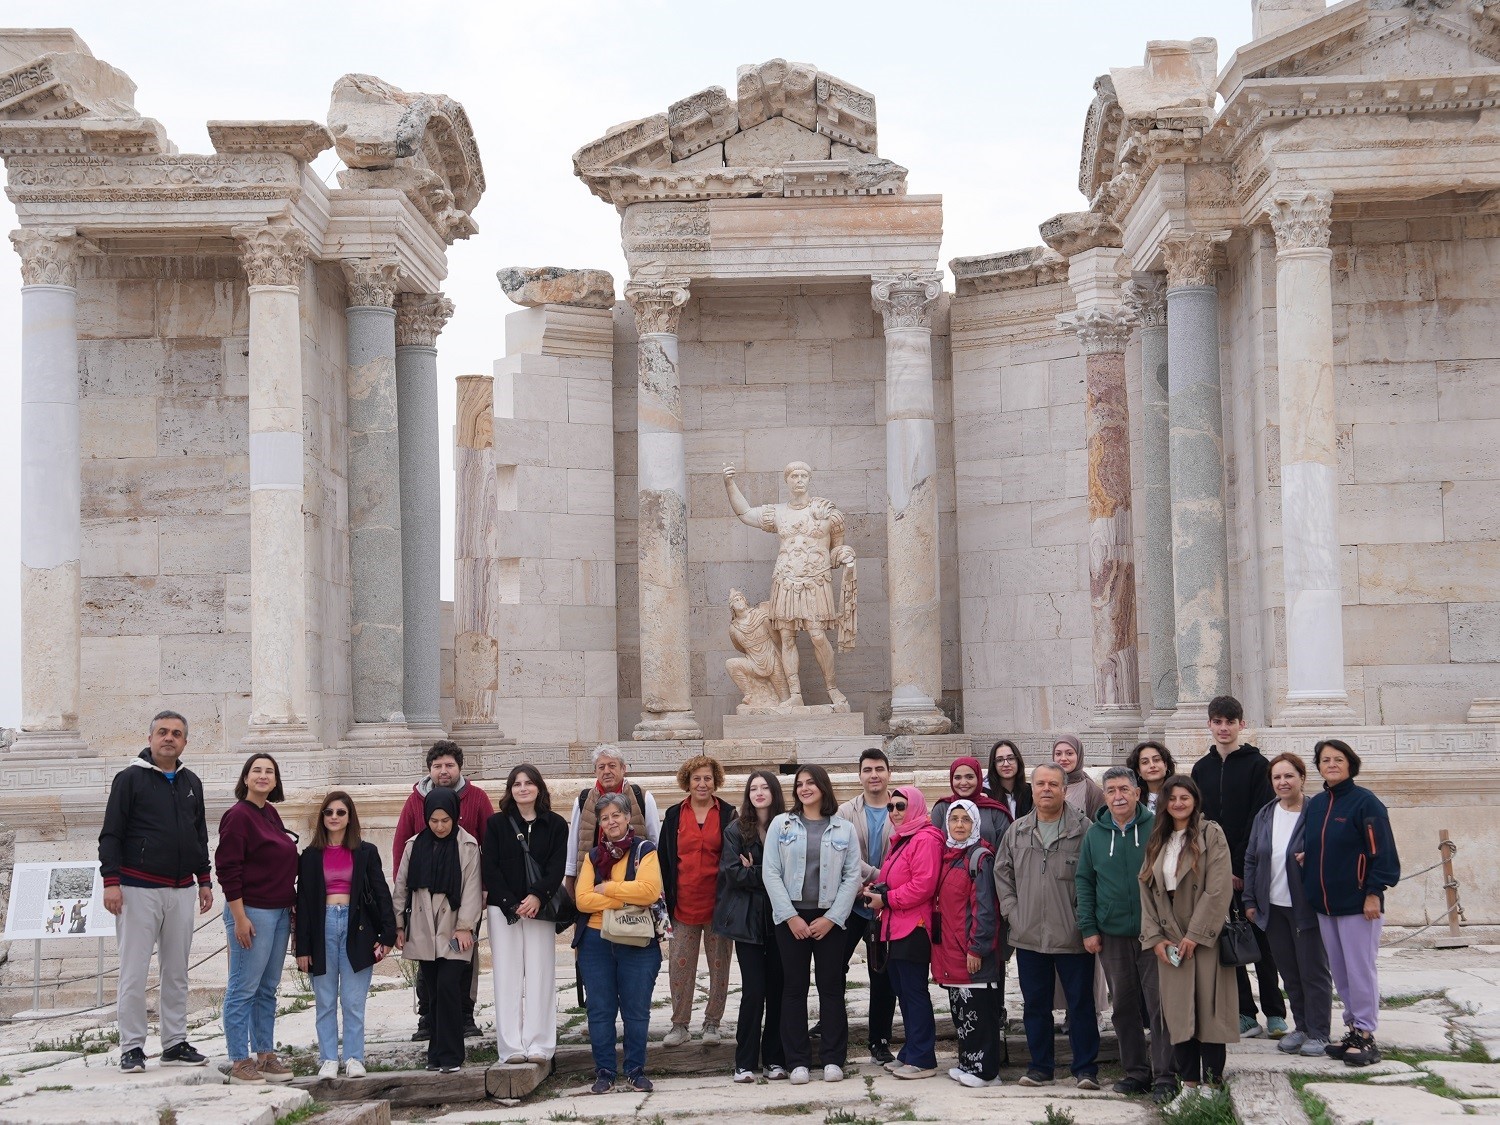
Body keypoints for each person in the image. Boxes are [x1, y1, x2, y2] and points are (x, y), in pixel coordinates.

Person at [99, 710, 214, 1074]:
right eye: (163, 732)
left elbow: (199, 835)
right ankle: (132, 1047)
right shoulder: (129, 779)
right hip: (137, 888)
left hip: (181, 889)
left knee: (177, 971)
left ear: (184, 742)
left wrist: (205, 879)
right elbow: (111, 834)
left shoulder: (191, 782)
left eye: (176, 733)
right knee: (134, 971)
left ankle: (174, 1042)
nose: (169, 738)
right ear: (150, 738)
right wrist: (111, 882)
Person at [993, 761, 1100, 1090]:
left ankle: (1085, 1069)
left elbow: (1094, 879)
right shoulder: (1018, 830)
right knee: (1035, 1005)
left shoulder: (1085, 830)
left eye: (1053, 784)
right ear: (1033, 788)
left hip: (1072, 935)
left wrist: (1084, 921)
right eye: (1040, 784)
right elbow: (1002, 873)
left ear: (1065, 790)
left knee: (1080, 1005)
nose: (1046, 790)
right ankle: (1040, 1067)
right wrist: (1013, 912)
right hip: (1029, 936)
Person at [723, 461, 857, 709]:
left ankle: (832, 688)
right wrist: (730, 483)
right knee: (787, 638)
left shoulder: (828, 512)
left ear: (809, 479)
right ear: (787, 480)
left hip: (815, 579)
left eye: (803, 475)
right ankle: (795, 694)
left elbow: (836, 549)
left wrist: (844, 554)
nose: (799, 479)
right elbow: (744, 514)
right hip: (785, 580)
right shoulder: (778, 512)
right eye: (794, 475)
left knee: (817, 636)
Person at [1189, 695, 1285, 1040]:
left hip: (1250, 867)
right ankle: (1245, 1011)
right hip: (1215, 870)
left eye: (1230, 721)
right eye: (1218, 721)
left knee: (1261, 940)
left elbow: (1259, 818)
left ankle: (1275, 1012)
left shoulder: (1258, 765)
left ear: (1241, 725)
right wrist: (1217, 868)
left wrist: (1241, 868)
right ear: (1210, 725)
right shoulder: (1202, 769)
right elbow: (1200, 821)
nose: (1224, 728)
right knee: (1228, 939)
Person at [1139, 776, 1239, 1105]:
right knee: (1179, 1014)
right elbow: (1147, 889)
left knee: (1210, 1013)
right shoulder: (1158, 838)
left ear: (1195, 800)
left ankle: (1212, 1085)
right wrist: (1155, 938)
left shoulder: (1212, 834)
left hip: (1203, 934)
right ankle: (1190, 1086)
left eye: (1185, 797)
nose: (1179, 803)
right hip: (1169, 935)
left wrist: (1196, 934)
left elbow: (1219, 887)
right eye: (1173, 798)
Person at [1301, 739, 1400, 1068]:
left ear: (1350, 764)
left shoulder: (1365, 803)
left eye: (1338, 759)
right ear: (1319, 767)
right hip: (1326, 905)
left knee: (1360, 970)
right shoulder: (1316, 805)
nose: (1331, 764)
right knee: (1341, 972)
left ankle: (1367, 1035)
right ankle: (1352, 1029)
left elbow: (1382, 853)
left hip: (1359, 904)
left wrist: (1374, 891)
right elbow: (1319, 846)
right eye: (1325, 759)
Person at [1076, 767, 1172, 1100]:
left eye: (1124, 790)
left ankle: (1165, 1075)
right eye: (1112, 790)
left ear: (1136, 792)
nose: (1118, 796)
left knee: (1160, 1006)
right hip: (1113, 934)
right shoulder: (1095, 834)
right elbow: (1085, 881)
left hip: (1154, 935)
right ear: (1104, 796)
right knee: (1124, 1007)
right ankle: (1135, 1072)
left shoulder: (1158, 826)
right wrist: (1089, 927)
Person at [764, 764, 863, 1085]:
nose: (804, 788)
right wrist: (790, 916)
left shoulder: (843, 829)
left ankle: (834, 1059)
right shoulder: (782, 824)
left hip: (830, 919)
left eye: (810, 783)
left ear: (823, 787)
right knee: (793, 988)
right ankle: (798, 1062)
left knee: (831, 987)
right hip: (789, 918)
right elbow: (770, 872)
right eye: (799, 784)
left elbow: (852, 876)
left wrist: (832, 918)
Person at [393, 741, 495, 1041]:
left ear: (459, 768)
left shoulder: (476, 797)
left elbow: (488, 843)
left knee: (462, 955)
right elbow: (402, 847)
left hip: (464, 898)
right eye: (438, 766)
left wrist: (484, 889)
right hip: (424, 899)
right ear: (430, 769)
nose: (444, 771)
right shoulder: (415, 800)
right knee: (426, 956)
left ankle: (464, 1014)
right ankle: (427, 1016)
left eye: (449, 765)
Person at [295, 791, 397, 1079]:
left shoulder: (366, 852)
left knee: (353, 1001)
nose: (334, 817)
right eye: (329, 812)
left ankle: (354, 1057)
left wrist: (388, 935)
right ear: (322, 818)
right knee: (325, 1000)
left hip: (357, 929)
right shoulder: (311, 856)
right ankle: (328, 1058)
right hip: (323, 927)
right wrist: (303, 946)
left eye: (341, 812)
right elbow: (303, 903)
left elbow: (380, 893)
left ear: (350, 817)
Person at [1242, 752, 1333, 1059]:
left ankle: (1320, 1032)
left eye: (1288, 776)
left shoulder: (1316, 810)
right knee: (1290, 972)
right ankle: (1302, 1027)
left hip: (1306, 906)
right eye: (1277, 777)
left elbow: (1333, 848)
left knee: (1313, 971)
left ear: (1302, 778)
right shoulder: (1266, 814)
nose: (1283, 782)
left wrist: (1315, 857)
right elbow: (1253, 857)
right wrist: (1251, 900)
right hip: (1274, 906)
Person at [575, 792, 666, 1094]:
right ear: (599, 824)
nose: (611, 821)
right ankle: (604, 1072)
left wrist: (609, 888)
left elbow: (650, 891)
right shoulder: (592, 856)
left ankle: (635, 1070)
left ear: (628, 818)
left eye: (617, 815)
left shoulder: (645, 850)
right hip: (596, 940)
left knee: (636, 1009)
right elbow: (583, 899)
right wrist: (626, 894)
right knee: (600, 1010)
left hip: (636, 941)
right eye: (605, 817)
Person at [217, 753, 299, 1085]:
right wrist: (239, 917)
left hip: (279, 911)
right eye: (257, 771)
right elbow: (228, 868)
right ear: (246, 778)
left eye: (269, 771)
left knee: (267, 988)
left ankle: (265, 1055)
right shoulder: (238, 816)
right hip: (251, 911)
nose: (263, 776)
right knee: (243, 987)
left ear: (276, 781)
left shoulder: (271, 814)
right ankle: (240, 1060)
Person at [482, 764, 569, 1065]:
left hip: (540, 909)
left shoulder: (556, 824)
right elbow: (489, 867)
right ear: (510, 790)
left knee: (540, 973)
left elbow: (558, 867)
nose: (523, 788)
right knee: (506, 975)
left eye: (529, 783)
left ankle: (540, 1043)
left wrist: (536, 896)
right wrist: (510, 902)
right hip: (503, 909)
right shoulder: (496, 825)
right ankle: (511, 1047)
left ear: (539, 788)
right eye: (517, 784)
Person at [394, 787, 483, 1074]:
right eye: (434, 821)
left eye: (446, 820)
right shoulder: (414, 845)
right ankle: (436, 1055)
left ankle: (452, 1055)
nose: (440, 826)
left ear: (455, 816)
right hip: (422, 928)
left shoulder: (467, 846)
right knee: (432, 992)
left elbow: (472, 888)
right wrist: (397, 925)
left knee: (449, 989)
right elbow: (401, 887)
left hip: (455, 929)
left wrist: (466, 927)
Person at [714, 770, 788, 1082]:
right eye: (753, 788)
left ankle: (774, 1060)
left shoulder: (787, 827)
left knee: (778, 990)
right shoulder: (735, 830)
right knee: (754, 991)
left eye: (764, 787)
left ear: (774, 792)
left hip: (783, 918)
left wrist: (756, 869)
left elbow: (793, 872)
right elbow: (734, 874)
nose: (758, 793)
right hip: (747, 921)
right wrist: (768, 875)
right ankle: (744, 1062)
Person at [659, 754, 736, 1046]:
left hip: (718, 907)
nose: (702, 784)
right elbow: (665, 860)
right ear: (687, 782)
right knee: (680, 965)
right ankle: (680, 1025)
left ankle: (712, 1023)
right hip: (683, 905)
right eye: (697, 778)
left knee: (719, 966)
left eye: (707, 778)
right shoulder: (675, 815)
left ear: (715, 781)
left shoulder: (728, 814)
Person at [867, 785, 943, 1080]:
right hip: (895, 926)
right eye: (891, 807)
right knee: (902, 991)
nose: (895, 812)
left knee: (913, 992)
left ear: (914, 806)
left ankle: (924, 1057)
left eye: (901, 806)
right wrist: (876, 891)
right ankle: (911, 1051)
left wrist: (886, 899)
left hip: (914, 926)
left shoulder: (924, 839)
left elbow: (924, 885)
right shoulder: (902, 838)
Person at [931, 800, 1003, 1087]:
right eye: (954, 819)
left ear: (976, 825)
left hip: (971, 950)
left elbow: (986, 908)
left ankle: (986, 1072)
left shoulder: (980, 858)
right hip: (952, 949)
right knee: (962, 1013)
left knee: (979, 1013)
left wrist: (978, 947)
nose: (959, 825)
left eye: (966, 820)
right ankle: (968, 1063)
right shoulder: (950, 855)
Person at [835, 748, 898, 1063]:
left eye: (879, 769)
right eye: (868, 769)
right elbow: (842, 853)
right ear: (859, 775)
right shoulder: (846, 811)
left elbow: (908, 852)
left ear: (888, 773)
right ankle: (833, 1033)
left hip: (888, 906)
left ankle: (880, 1041)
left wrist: (882, 886)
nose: (874, 775)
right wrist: (871, 881)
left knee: (883, 977)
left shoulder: (900, 808)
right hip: (852, 903)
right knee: (834, 969)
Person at [565, 744, 661, 892]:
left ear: (623, 768)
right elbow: (574, 844)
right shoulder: (583, 800)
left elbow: (655, 840)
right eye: (601, 767)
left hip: (633, 881)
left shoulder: (642, 797)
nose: (607, 771)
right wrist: (571, 881)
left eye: (612, 766)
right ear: (595, 771)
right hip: (593, 879)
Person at [930, 756, 1014, 849]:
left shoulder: (994, 811)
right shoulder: (942, 808)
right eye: (957, 778)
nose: (963, 782)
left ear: (978, 778)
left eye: (969, 777)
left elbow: (1005, 851)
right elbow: (932, 847)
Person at [1052, 735, 1105, 819]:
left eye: (1069, 753)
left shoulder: (1092, 792)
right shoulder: (1045, 785)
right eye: (1058, 754)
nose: (1063, 758)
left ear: (1079, 756)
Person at [986, 740, 1033, 821]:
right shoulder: (986, 794)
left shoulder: (1030, 791)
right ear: (993, 765)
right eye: (999, 760)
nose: (1006, 764)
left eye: (1011, 758)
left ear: (1018, 761)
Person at [1126, 741, 1175, 814]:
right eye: (1145, 762)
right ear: (1139, 771)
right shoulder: (1133, 799)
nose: (1152, 765)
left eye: (1156, 760)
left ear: (1165, 765)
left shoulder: (1177, 792)